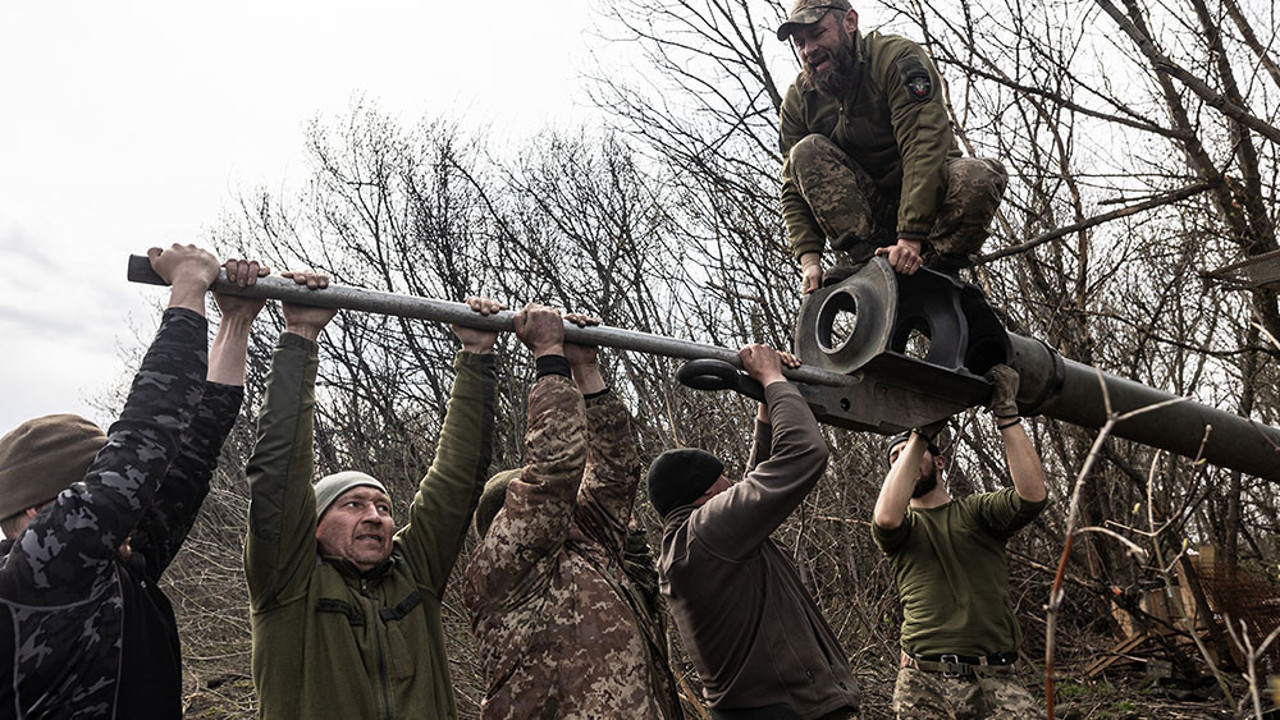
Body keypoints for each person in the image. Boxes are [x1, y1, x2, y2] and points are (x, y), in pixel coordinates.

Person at [0, 245, 267, 718]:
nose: (130, 506)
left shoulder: (112, 571)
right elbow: (146, 437)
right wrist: (188, 287)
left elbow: (191, 455)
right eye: (101, 491)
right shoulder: (36, 574)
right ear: (40, 511)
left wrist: (237, 321)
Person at [242, 276, 504, 720]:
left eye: (383, 508)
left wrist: (477, 356)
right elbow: (278, 473)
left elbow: (457, 480)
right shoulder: (287, 583)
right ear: (314, 525)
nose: (375, 517)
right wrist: (300, 336)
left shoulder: (413, 573)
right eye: (353, 505)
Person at [463, 306, 683, 719]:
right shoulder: (503, 572)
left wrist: (585, 368)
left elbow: (617, 471)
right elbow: (554, 473)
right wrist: (549, 354)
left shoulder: (589, 549)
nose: (568, 506)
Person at [649, 344, 859, 720]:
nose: (735, 485)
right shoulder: (707, 534)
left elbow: (755, 480)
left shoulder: (692, 541)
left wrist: (766, 401)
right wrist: (775, 380)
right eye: (726, 482)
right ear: (707, 494)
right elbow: (804, 452)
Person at [776, 0, 1008, 290]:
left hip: (932, 207)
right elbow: (793, 187)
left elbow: (923, 145)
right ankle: (870, 265)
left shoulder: (896, 59)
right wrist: (809, 260)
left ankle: (937, 267)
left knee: (979, 177)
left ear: (850, 22)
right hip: (873, 218)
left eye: (818, 34)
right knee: (805, 151)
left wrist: (910, 238)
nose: (808, 50)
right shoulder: (799, 101)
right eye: (800, 43)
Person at [872, 365, 1048, 719]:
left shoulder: (977, 512)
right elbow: (886, 518)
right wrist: (919, 436)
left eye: (911, 452)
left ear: (940, 462)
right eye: (895, 457)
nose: (903, 459)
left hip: (996, 675)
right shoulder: (901, 528)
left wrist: (1007, 412)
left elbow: (1032, 496)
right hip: (923, 679)